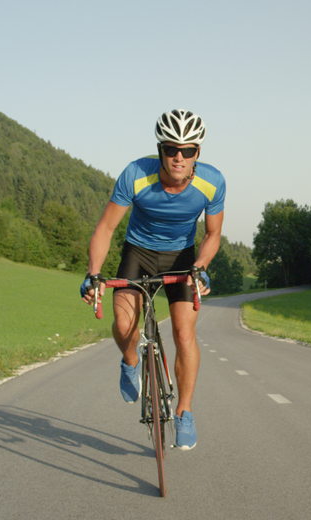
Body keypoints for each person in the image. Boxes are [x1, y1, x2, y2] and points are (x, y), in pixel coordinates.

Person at [80, 109, 225, 450]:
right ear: (159, 149)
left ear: (197, 154)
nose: (179, 157)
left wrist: (201, 265)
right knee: (123, 321)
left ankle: (184, 413)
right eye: (171, 148)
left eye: (187, 150)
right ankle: (130, 361)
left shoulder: (212, 181)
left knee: (184, 333)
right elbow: (106, 227)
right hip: (138, 252)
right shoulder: (135, 174)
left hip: (181, 258)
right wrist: (93, 274)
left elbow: (213, 233)